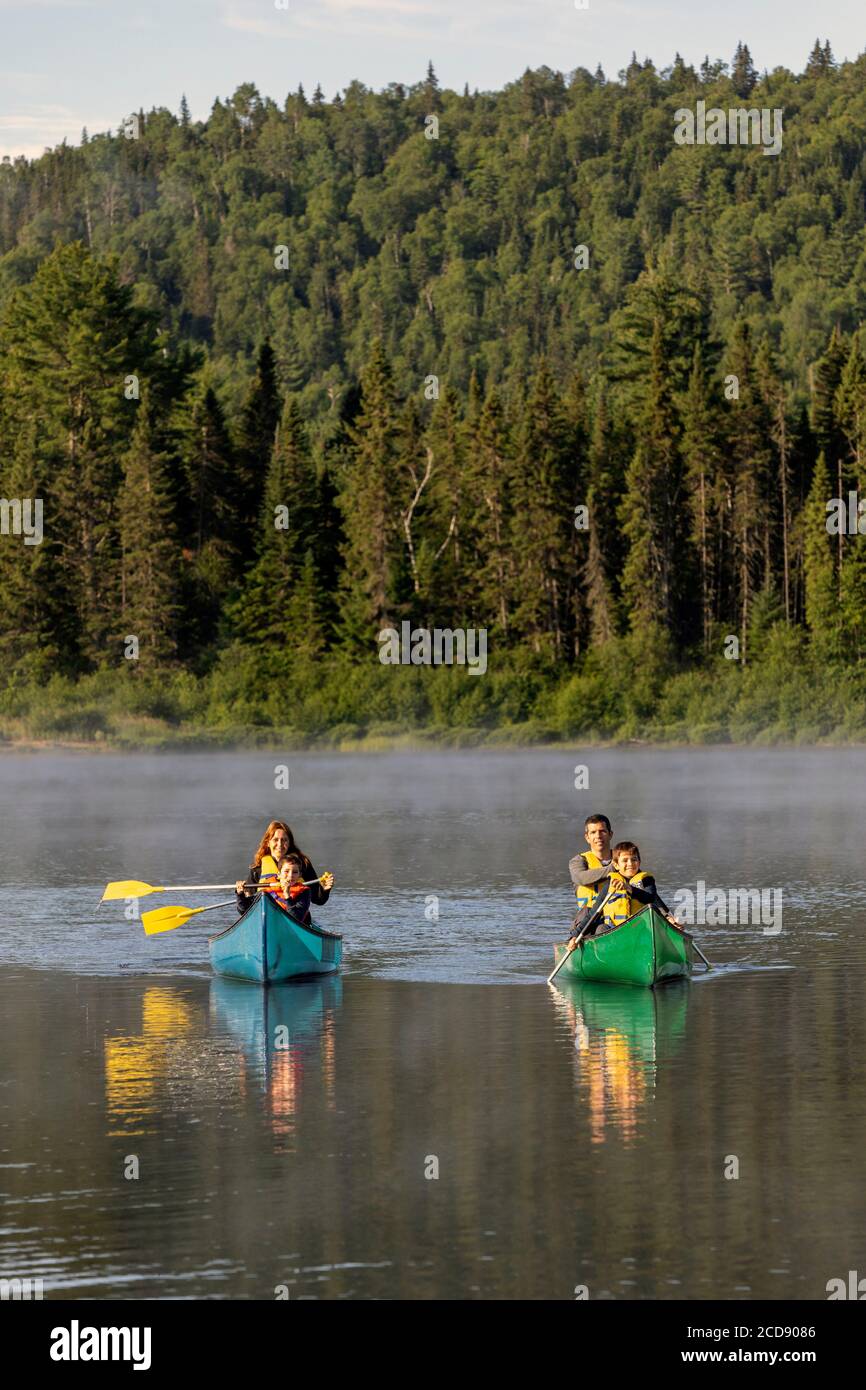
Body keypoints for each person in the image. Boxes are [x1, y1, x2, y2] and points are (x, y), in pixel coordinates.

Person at [235, 820, 334, 916]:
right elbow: (245, 909)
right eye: (275, 840)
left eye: (284, 840)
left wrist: (324, 890)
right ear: (267, 843)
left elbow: (318, 899)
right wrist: (240, 894)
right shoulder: (257, 869)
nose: (280, 844)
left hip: (297, 917)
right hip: (266, 916)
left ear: (290, 843)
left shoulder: (302, 864)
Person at [599, 841, 681, 933]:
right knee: (601, 928)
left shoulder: (646, 881)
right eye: (625, 860)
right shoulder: (609, 885)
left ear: (639, 862)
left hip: (641, 929)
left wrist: (629, 888)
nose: (630, 864)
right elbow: (594, 913)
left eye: (634, 859)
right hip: (615, 931)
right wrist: (579, 932)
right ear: (616, 865)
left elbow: (650, 898)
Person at [569, 813, 614, 913]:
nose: (598, 836)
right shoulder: (578, 861)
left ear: (610, 834)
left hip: (619, 920)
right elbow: (581, 878)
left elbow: (641, 882)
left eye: (602, 831)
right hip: (589, 921)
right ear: (587, 837)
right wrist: (613, 868)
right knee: (599, 929)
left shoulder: (624, 859)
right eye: (593, 832)